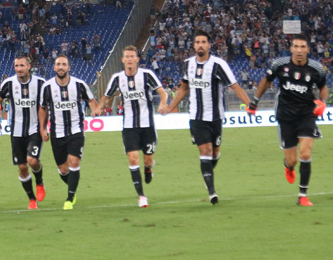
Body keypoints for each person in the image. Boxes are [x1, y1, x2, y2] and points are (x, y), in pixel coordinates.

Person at [162, 30, 251, 205]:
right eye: (198, 42)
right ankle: (212, 192)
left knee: (215, 153)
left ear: (209, 45)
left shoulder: (219, 65)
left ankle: (207, 173)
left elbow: (235, 86)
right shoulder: (188, 65)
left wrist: (250, 104)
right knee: (206, 152)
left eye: (204, 42)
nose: (201, 44)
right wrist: (170, 106)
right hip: (196, 117)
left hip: (216, 117)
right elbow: (183, 89)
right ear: (194, 45)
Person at [247, 33, 328, 206]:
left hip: (307, 115)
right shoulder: (280, 65)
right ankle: (288, 166)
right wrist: (254, 102)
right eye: (296, 47)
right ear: (291, 49)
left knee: (305, 153)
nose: (299, 50)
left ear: (308, 49)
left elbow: (323, 88)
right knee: (293, 160)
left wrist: (323, 102)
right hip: (285, 116)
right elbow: (265, 81)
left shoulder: (317, 69)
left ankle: (302, 195)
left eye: (303, 47)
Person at [98, 46, 168, 208]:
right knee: (133, 158)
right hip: (129, 126)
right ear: (123, 60)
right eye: (126, 56)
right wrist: (99, 107)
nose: (129, 59)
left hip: (147, 125)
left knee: (148, 159)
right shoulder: (117, 78)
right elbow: (106, 96)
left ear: (137, 59)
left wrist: (163, 103)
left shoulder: (147, 75)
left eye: (132, 56)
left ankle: (148, 168)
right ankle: (141, 196)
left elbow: (162, 92)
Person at [39, 54, 102, 210]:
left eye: (64, 64)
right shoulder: (47, 87)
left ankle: (70, 196)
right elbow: (43, 108)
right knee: (63, 169)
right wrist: (42, 128)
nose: (61, 67)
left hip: (76, 130)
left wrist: (95, 109)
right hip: (56, 132)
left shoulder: (79, 84)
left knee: (74, 162)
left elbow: (91, 100)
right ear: (54, 67)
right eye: (58, 64)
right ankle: (72, 187)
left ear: (69, 67)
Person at [0, 54, 47, 209]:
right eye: (16, 66)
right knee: (22, 167)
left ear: (29, 66)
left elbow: (46, 107)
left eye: (22, 66)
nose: (19, 69)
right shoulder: (9, 84)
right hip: (16, 131)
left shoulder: (40, 83)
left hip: (34, 129)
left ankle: (39, 181)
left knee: (32, 160)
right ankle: (32, 199)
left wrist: (44, 127)